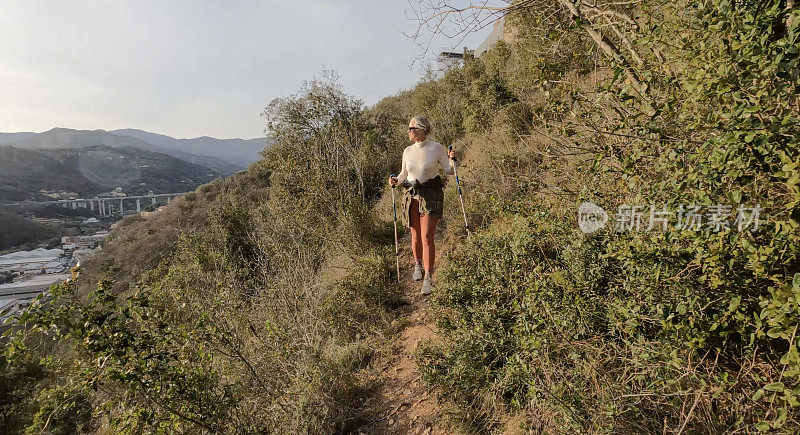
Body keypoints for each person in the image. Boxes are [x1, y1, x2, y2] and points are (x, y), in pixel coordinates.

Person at [389, 116, 457, 295]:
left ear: (420, 130)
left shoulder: (435, 148)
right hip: (411, 195)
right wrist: (396, 180)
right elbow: (404, 173)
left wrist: (452, 160)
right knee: (415, 235)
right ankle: (417, 264)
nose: (408, 131)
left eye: (411, 128)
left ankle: (428, 275)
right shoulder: (407, 150)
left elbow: (449, 171)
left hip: (431, 194)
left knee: (427, 236)